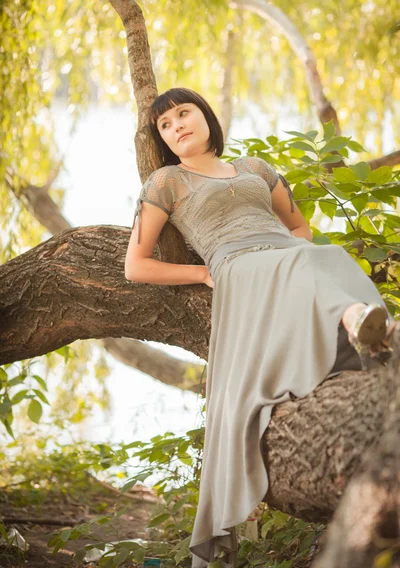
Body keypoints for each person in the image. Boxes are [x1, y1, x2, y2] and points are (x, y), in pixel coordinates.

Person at [124, 87, 397, 567]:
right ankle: (360, 321)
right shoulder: (167, 181)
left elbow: (299, 228)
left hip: (285, 256)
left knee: (323, 253)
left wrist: (286, 252)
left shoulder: (255, 169)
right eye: (165, 125)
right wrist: (201, 272)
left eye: (183, 114)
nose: (177, 126)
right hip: (235, 265)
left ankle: (359, 327)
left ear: (205, 116)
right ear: (162, 139)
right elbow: (136, 266)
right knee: (314, 261)